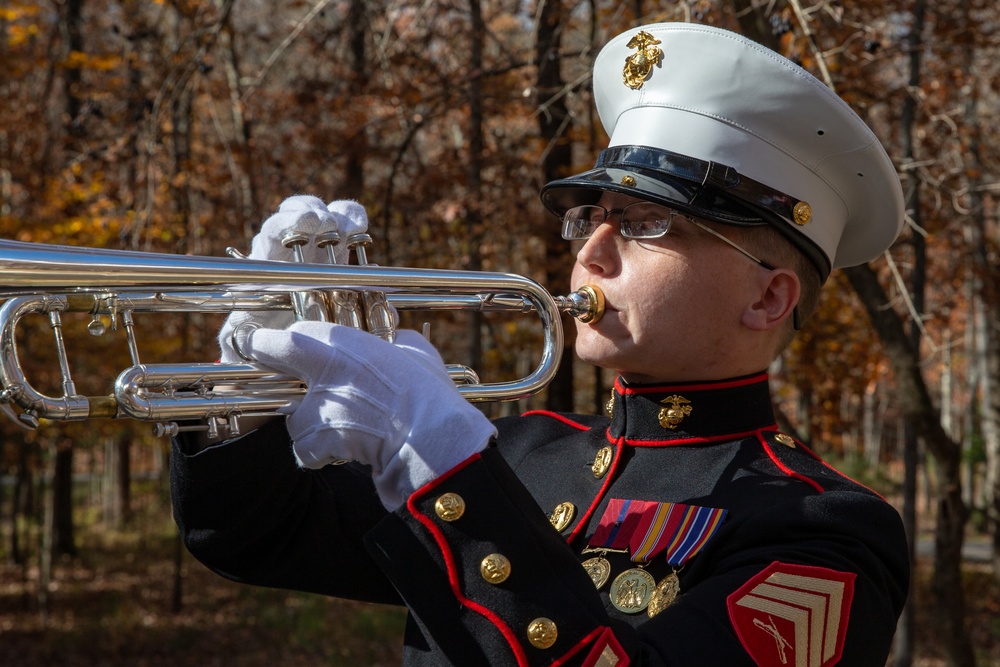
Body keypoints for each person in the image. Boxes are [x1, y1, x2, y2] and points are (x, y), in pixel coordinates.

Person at [170, 22, 909, 666]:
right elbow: (253, 532)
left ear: (768, 296)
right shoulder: (523, 452)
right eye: (594, 215)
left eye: (648, 224)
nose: (591, 250)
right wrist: (243, 386)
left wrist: (441, 459)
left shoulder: (826, 533)